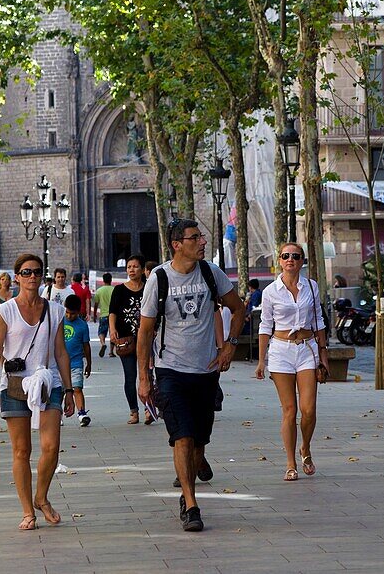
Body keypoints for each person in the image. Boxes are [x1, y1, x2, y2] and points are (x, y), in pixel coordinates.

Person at [137, 219, 246, 533]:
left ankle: (197, 463)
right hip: (170, 370)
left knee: (198, 442)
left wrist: (229, 348)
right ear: (177, 244)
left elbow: (238, 308)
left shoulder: (212, 273)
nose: (201, 242)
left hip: (206, 370)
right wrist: (144, 377)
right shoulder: (158, 279)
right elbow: (145, 332)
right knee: (182, 437)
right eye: (195, 237)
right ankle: (191, 503)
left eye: (201, 236)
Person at [0, 253, 76, 531]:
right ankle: (28, 511)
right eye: (26, 272)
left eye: (36, 272)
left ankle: (42, 497)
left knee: (50, 447)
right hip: (14, 386)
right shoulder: (5, 311)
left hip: (49, 384)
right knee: (21, 450)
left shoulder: (55, 310)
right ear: (17, 278)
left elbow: (60, 352)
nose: (32, 277)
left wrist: (70, 388)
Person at [255, 243, 328, 481]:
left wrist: (323, 357)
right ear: (279, 259)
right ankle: (290, 461)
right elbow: (265, 325)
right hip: (280, 351)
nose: (290, 260)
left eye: (295, 256)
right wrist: (261, 361)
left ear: (302, 261)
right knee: (290, 410)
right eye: (285, 256)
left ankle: (305, 447)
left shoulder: (311, 286)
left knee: (309, 409)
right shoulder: (271, 291)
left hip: (307, 349)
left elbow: (318, 320)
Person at [108, 256, 145, 424]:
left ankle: (149, 409)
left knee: (148, 375)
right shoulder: (119, 290)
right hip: (126, 340)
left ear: (142, 269)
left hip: (146, 339)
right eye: (129, 267)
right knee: (130, 376)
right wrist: (113, 329)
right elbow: (113, 312)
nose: (131, 269)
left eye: (135, 266)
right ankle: (134, 411)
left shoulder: (149, 289)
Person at [62, 294, 93, 427]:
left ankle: (82, 413)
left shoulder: (82, 326)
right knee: (58, 391)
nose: (69, 316)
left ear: (79, 312)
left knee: (77, 389)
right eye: (67, 312)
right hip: (60, 364)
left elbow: (86, 345)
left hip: (76, 363)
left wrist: (89, 364)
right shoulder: (59, 322)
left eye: (73, 314)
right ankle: (57, 415)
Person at [91, 272, 115, 358]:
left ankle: (103, 343)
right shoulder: (114, 290)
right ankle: (111, 352)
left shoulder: (99, 291)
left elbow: (96, 304)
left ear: (103, 280)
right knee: (113, 333)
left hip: (103, 315)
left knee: (101, 332)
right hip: (113, 315)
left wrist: (94, 315)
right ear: (111, 280)